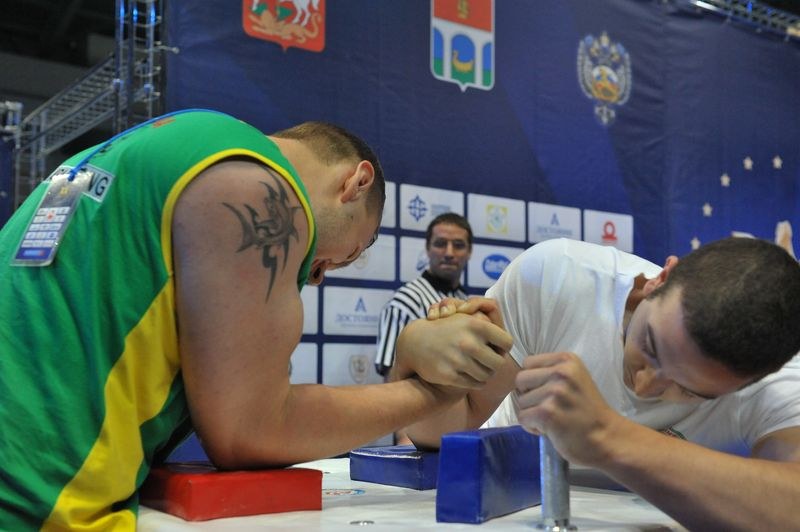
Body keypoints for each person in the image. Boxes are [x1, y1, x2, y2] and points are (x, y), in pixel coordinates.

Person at [0, 109, 512, 530]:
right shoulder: (255, 185)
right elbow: (250, 432)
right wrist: (434, 392)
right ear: (355, 184)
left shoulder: (162, 146)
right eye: (349, 253)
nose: (318, 275)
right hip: (36, 508)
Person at [393, 236, 800, 530]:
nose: (645, 386)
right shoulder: (557, 278)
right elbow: (437, 436)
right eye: (651, 347)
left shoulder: (773, 370)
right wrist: (421, 363)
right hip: (501, 512)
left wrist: (607, 436)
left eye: (689, 390)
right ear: (660, 280)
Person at [374, 212, 472, 444]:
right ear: (427, 249)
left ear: (469, 252)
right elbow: (393, 381)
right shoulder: (406, 301)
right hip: (419, 436)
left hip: (463, 430)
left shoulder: (466, 301)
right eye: (440, 243)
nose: (449, 252)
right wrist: (405, 436)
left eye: (458, 245)